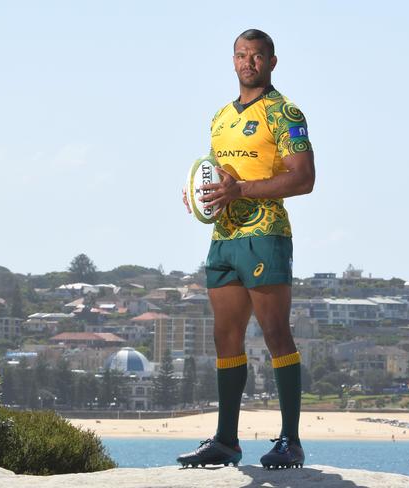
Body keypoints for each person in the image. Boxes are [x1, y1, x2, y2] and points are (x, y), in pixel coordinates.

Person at [178, 28, 315, 469]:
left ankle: (290, 440)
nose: (248, 63)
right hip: (224, 239)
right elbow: (216, 177)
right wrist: (199, 196)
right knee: (225, 337)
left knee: (276, 334)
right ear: (232, 60)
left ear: (272, 62)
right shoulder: (219, 117)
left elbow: (304, 178)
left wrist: (243, 191)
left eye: (257, 56)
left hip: (265, 235)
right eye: (241, 55)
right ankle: (226, 441)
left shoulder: (284, 113)